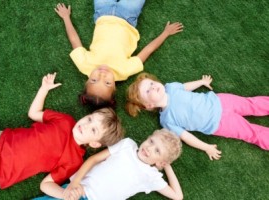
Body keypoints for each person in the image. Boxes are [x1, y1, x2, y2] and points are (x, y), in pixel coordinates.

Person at [0, 73, 124, 197]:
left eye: (93, 130)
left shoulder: (74, 161)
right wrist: (44, 89)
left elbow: (46, 184)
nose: (86, 124)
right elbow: (34, 113)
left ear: (95, 144)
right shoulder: (66, 121)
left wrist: (64, 194)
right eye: (90, 119)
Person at [54, 1, 183, 108]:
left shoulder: (84, 65)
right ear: (115, 87)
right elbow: (147, 50)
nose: (102, 75)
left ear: (87, 81)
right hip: (128, 17)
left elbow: (74, 40)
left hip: (102, 13)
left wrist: (66, 18)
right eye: (107, 83)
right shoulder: (124, 71)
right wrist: (165, 33)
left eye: (94, 80)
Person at [126, 73, 269, 160]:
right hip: (219, 124)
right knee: (251, 133)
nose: (153, 86)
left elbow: (185, 87)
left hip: (220, 100)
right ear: (149, 105)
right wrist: (206, 147)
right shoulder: (167, 121)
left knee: (251, 104)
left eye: (151, 83)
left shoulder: (171, 87)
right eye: (147, 91)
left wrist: (201, 82)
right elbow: (186, 137)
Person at [34, 129, 183, 200]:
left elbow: (177, 196)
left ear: (160, 162)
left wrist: (166, 166)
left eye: (157, 151)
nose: (149, 148)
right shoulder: (127, 145)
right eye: (151, 141)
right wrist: (76, 182)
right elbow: (93, 160)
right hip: (78, 192)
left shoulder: (152, 176)